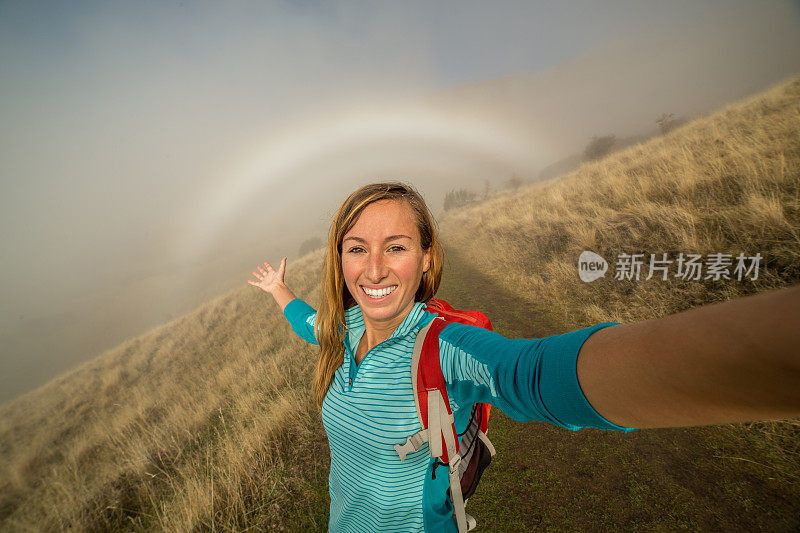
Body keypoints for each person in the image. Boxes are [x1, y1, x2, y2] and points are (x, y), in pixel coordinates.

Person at [248, 181, 800, 533]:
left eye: (395, 246)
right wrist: (278, 290)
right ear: (338, 259)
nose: (373, 270)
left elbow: (531, 374)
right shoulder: (342, 330)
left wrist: (760, 356)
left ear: (425, 257)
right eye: (356, 248)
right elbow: (308, 324)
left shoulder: (443, 346)